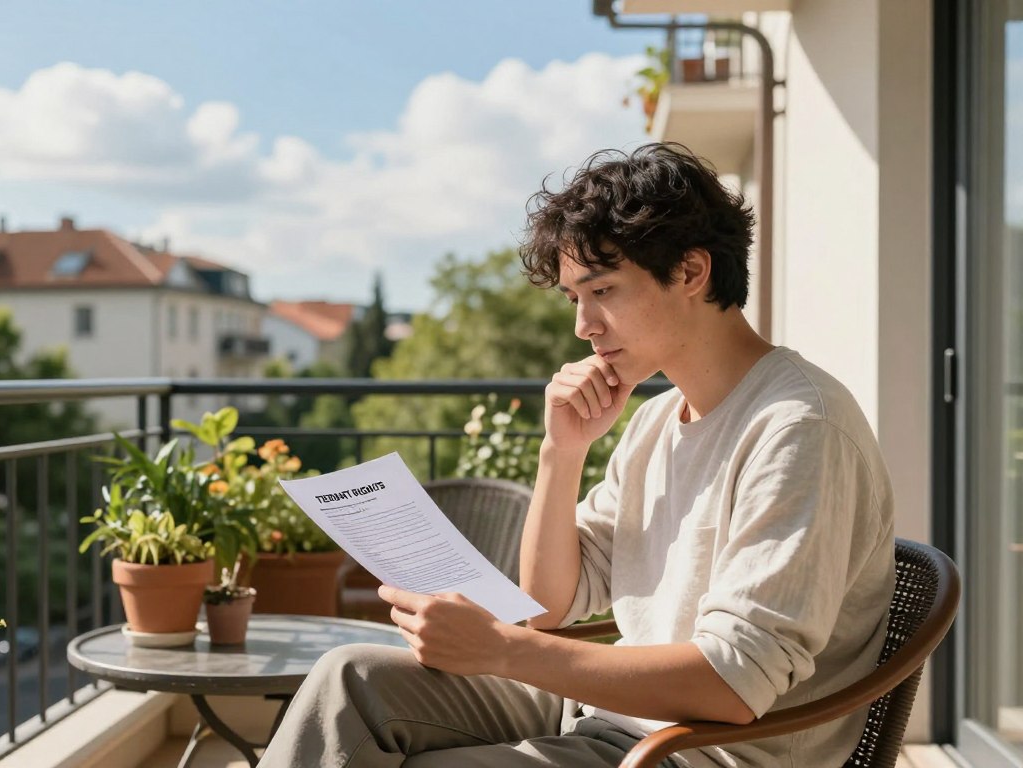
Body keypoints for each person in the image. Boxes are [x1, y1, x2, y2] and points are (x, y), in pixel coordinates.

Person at [257, 143, 896, 768]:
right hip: (613, 717)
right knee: (351, 679)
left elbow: (732, 684)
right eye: (574, 299)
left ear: (692, 272)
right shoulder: (654, 422)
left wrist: (502, 652)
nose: (582, 325)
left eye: (604, 290)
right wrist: (561, 455)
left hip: (694, 751)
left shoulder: (799, 428)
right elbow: (545, 604)